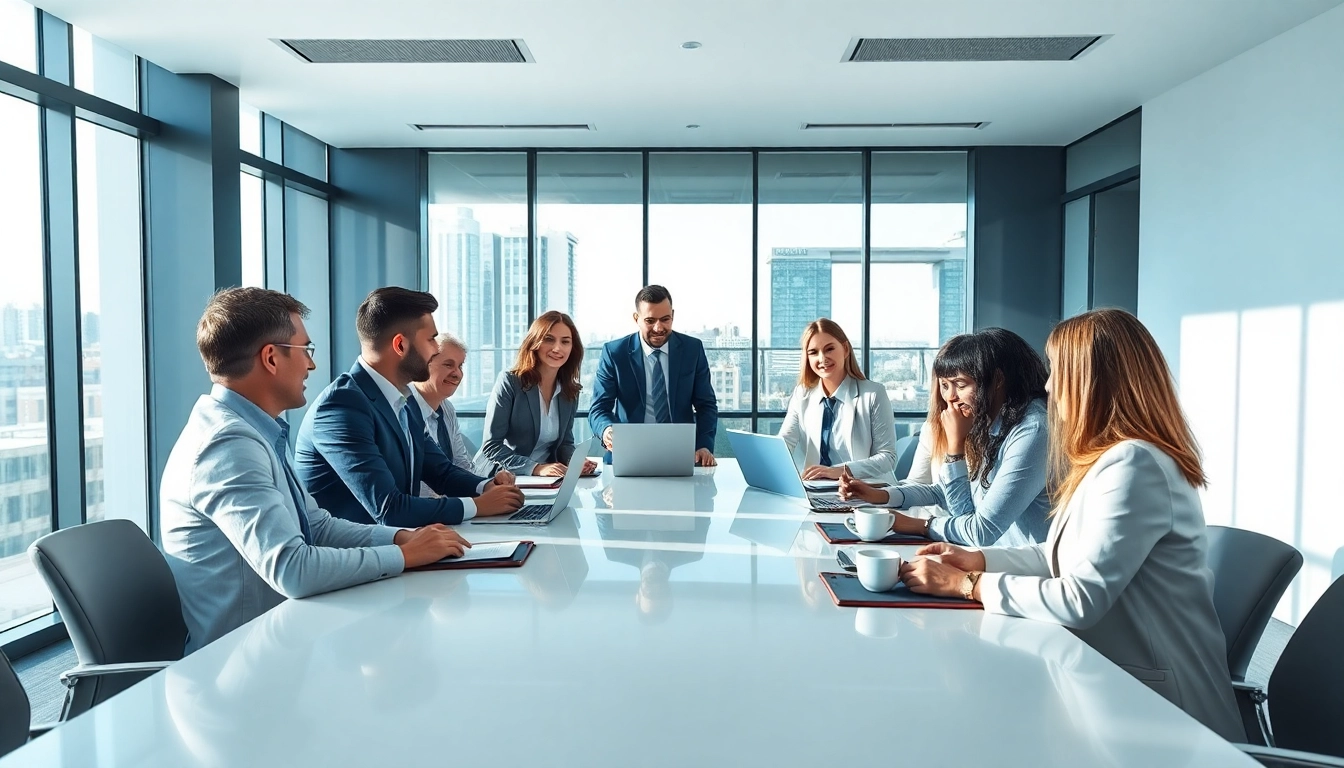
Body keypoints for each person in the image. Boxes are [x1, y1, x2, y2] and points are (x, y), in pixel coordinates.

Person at [899, 309, 1242, 740]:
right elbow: (1061, 554)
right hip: (1111, 692)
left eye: (1058, 370)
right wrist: (977, 557)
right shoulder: (1110, 458)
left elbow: (1081, 598)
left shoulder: (1135, 463)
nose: (1047, 385)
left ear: (1093, 381)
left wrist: (966, 585)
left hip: (1162, 720)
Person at [159, 288, 471, 654]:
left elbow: (317, 525)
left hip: (285, 637)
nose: (312, 365)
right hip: (243, 663)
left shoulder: (254, 430)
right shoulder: (228, 444)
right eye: (305, 350)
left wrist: (401, 538)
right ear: (271, 358)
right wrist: (403, 556)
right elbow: (292, 568)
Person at [295, 287, 523, 526]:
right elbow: (389, 509)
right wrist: (477, 506)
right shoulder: (341, 407)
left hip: (403, 544)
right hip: (358, 555)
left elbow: (440, 471)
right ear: (400, 345)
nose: (436, 348)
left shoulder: (405, 399)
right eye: (431, 339)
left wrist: (486, 486)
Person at [839, 328, 1050, 547]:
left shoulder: (1032, 431)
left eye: (960, 385)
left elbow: (980, 533)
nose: (950, 397)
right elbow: (943, 492)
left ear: (997, 380)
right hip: (989, 559)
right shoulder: (990, 421)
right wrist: (880, 495)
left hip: (1022, 571)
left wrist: (920, 525)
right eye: (945, 386)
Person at [589, 284, 718, 467]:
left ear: (673, 315)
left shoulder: (692, 350)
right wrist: (607, 430)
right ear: (637, 318)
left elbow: (706, 405)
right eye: (650, 321)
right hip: (627, 455)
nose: (658, 328)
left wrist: (704, 446)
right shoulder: (615, 353)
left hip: (682, 455)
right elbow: (599, 408)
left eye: (665, 319)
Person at [476, 311, 597, 476]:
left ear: (572, 348)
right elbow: (491, 446)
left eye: (565, 342)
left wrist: (576, 461)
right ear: (535, 343)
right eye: (549, 339)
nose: (557, 348)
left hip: (546, 480)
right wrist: (536, 468)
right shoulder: (510, 382)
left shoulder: (570, 391)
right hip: (503, 476)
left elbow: (564, 444)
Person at [777, 318, 896, 481]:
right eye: (813, 352)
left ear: (845, 349)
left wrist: (841, 471)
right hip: (818, 490)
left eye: (829, 349)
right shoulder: (802, 394)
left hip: (865, 490)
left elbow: (888, 458)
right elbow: (784, 443)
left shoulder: (873, 394)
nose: (822, 358)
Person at [409, 332, 476, 480]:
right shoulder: (403, 407)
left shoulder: (447, 409)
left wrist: (487, 485)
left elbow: (461, 463)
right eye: (448, 365)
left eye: (460, 366)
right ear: (423, 364)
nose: (457, 374)